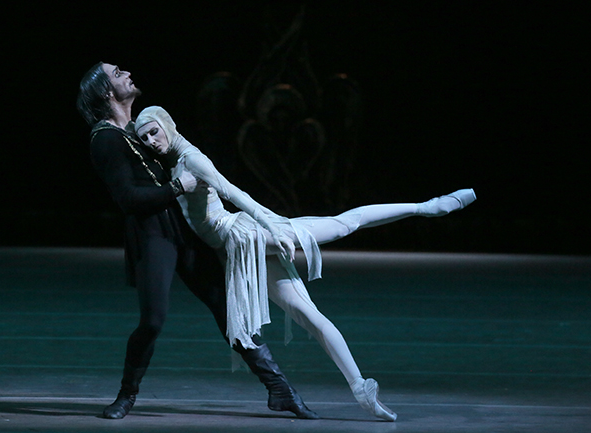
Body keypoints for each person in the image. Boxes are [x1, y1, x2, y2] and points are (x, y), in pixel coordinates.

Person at [134, 105, 477, 421]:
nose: (151, 140)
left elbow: (235, 194)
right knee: (309, 317)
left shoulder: (192, 159)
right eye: (145, 137)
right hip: (242, 250)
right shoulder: (173, 163)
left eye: (154, 132)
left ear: (167, 126)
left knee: (344, 223)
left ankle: (428, 207)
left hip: (250, 236)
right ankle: (360, 388)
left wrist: (274, 225)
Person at [76, 62, 319, 420]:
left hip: (180, 230)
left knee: (229, 310)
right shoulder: (106, 139)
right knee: (154, 320)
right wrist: (179, 187)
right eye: (116, 73)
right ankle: (126, 395)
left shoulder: (137, 129)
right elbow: (128, 199)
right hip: (152, 235)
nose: (127, 72)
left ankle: (280, 389)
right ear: (106, 92)